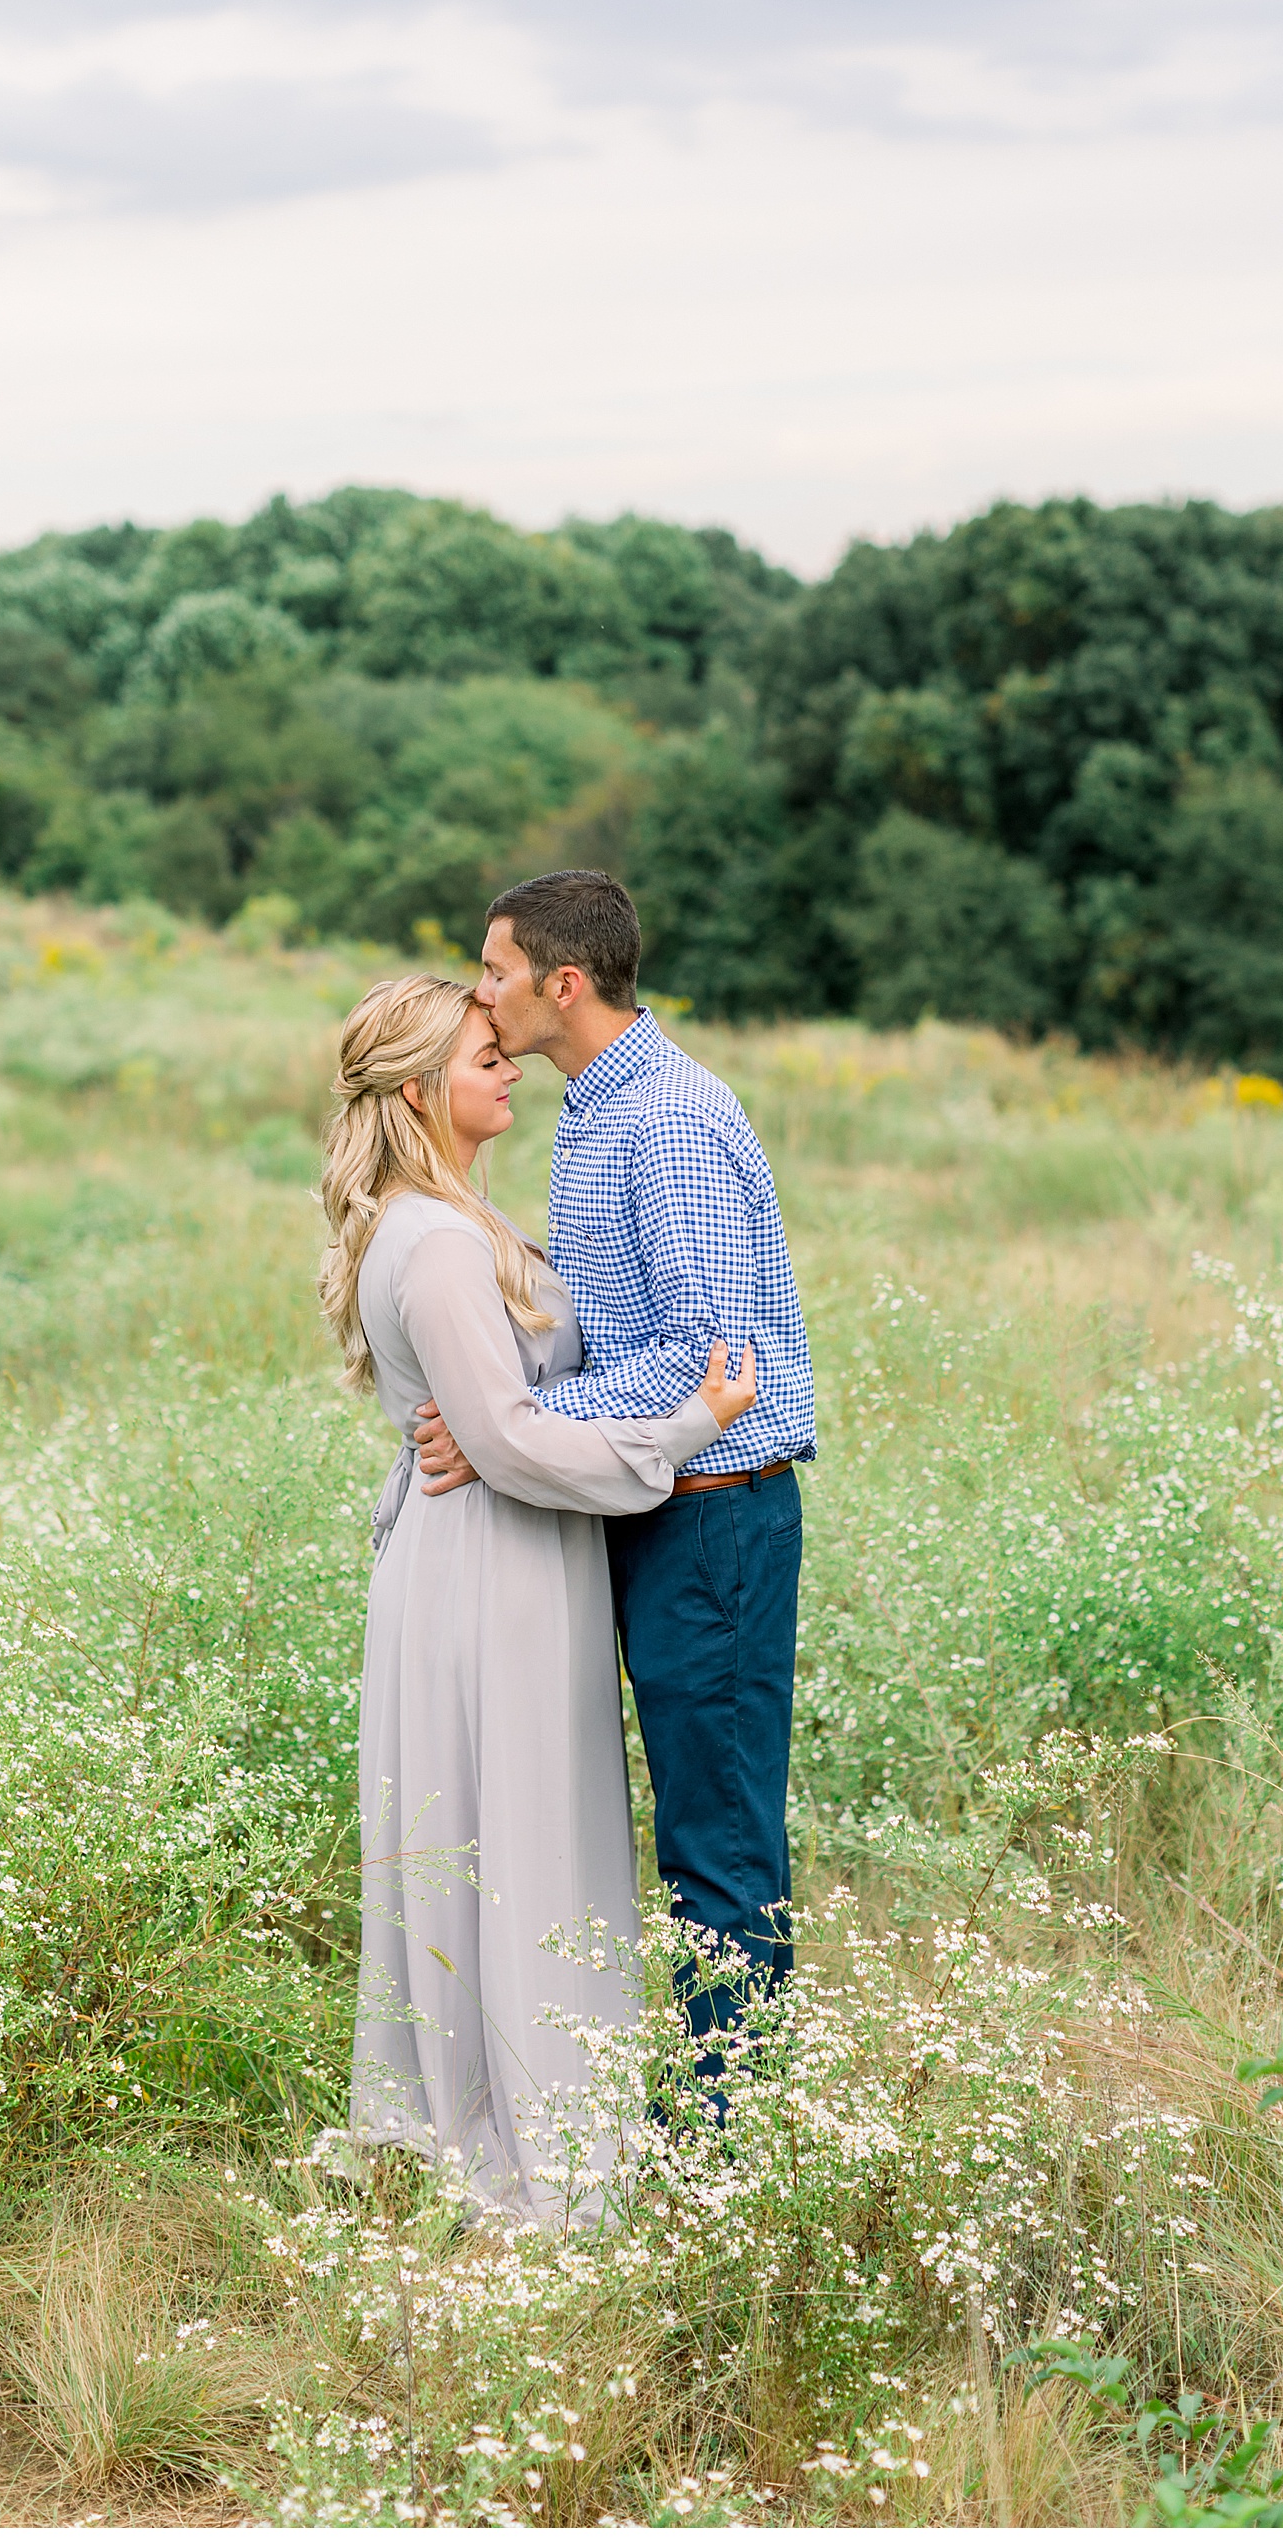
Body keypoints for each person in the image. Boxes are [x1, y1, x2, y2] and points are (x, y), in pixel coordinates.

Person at [318, 970, 756, 2222]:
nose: (507, 1060)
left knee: (514, 1834)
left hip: (506, 1557)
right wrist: (679, 1433)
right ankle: (529, 2147)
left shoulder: (455, 1216)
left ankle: (531, 2116)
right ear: (418, 1090)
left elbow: (483, 1423)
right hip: (489, 1568)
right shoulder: (441, 1240)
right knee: (508, 1840)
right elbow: (503, 1440)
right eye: (479, 1054)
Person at [415, 871, 815, 2108]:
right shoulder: (597, 1107)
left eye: (495, 970)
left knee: (720, 1858)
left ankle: (727, 2163)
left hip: (714, 1519)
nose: (482, 994)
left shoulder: (671, 1124)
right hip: (642, 1507)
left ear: (563, 983)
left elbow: (711, 1361)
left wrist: (513, 1426)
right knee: (657, 1845)